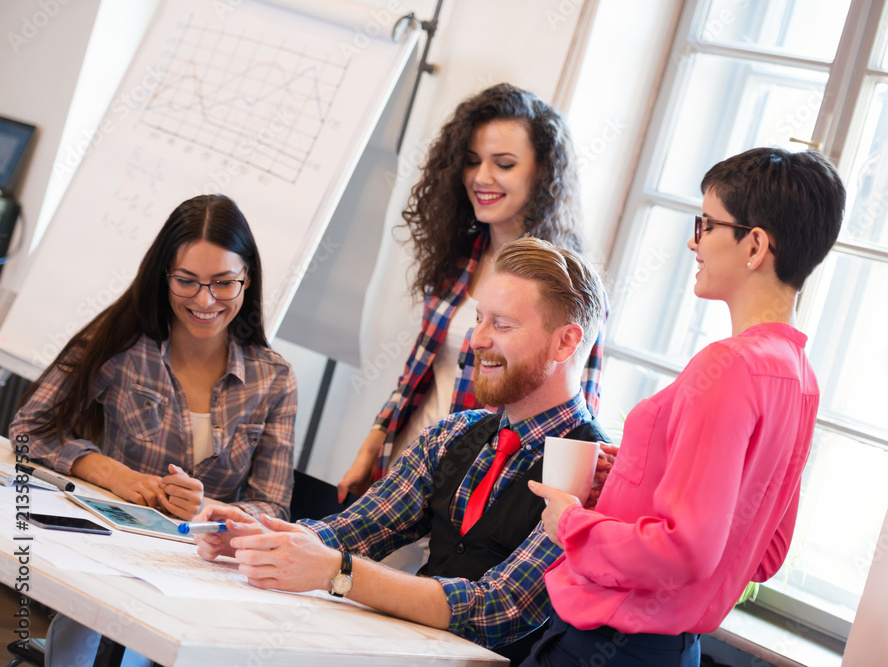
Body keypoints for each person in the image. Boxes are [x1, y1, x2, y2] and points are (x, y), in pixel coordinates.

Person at [193, 238, 612, 661]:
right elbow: (358, 528)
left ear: (565, 343)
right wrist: (259, 538)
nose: (477, 339)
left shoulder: (597, 472)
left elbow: (500, 609)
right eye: (480, 319)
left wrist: (336, 572)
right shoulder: (450, 436)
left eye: (502, 325)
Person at [526, 147, 847, 666]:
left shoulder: (730, 367)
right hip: (672, 651)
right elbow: (763, 553)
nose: (693, 241)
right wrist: (634, 480)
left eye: (706, 224)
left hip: (608, 649)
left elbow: (683, 549)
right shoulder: (799, 377)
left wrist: (570, 524)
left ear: (755, 245)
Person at [337, 83, 604, 504]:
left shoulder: (568, 285)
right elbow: (417, 370)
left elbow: (578, 408)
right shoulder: (459, 256)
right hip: (410, 463)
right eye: (472, 161)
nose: (481, 177)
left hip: (481, 490)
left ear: (542, 173)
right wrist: (374, 440)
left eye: (505, 164)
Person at [10, 194, 296, 521]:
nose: (205, 300)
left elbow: (273, 509)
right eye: (186, 281)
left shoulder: (274, 378)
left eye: (224, 282)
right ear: (164, 277)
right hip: (106, 533)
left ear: (248, 279)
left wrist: (208, 508)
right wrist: (110, 472)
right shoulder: (120, 340)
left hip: (198, 560)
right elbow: (28, 430)